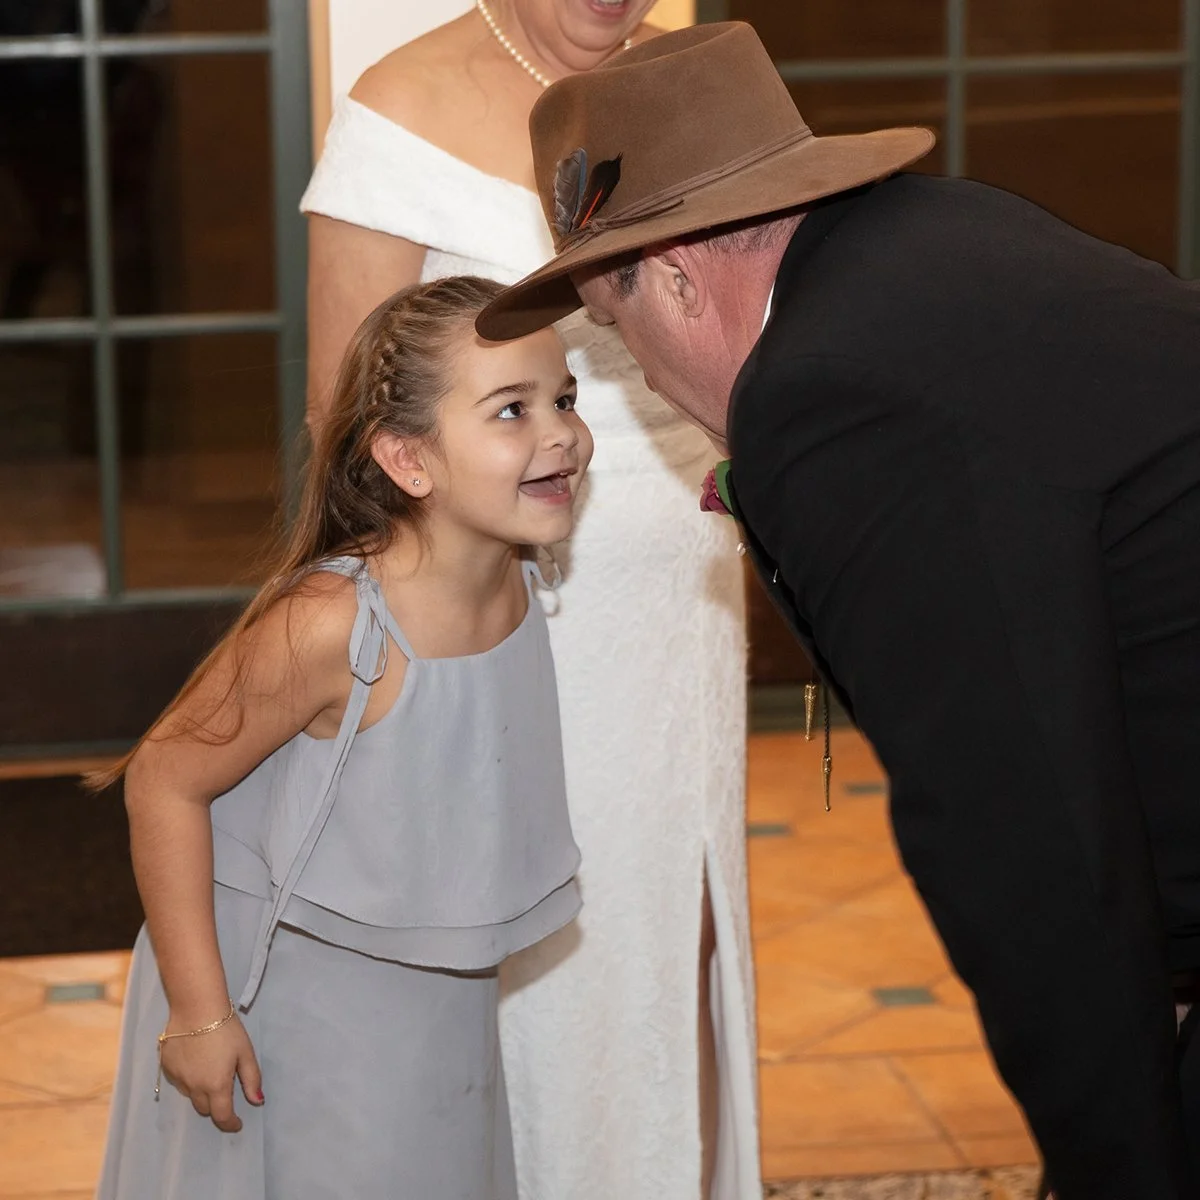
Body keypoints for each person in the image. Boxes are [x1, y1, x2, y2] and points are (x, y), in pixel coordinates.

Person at [476, 21, 1200, 1200]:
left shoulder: (831, 396)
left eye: (617, 337)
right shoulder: (936, 240)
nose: (649, 382)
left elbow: (1023, 842)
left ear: (672, 278)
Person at [302, 5, 758, 1199]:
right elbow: (343, 418)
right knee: (543, 956)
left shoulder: (677, 73)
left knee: (677, 934)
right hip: (510, 614)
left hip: (681, 602)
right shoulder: (401, 105)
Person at [93, 277, 593, 1199]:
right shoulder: (333, 624)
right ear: (408, 459)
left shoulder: (519, 577)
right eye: (512, 410)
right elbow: (162, 779)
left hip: (429, 994)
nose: (559, 430)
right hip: (275, 997)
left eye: (563, 398)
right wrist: (199, 1013)